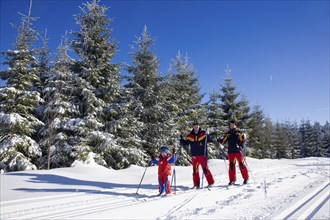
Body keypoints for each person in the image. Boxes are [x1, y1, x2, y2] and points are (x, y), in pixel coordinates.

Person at [180, 120, 215, 188]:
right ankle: (196, 184)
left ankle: (211, 182)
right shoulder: (190, 135)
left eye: (197, 125)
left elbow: (210, 140)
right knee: (195, 170)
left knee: (205, 169)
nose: (196, 127)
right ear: (193, 126)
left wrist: (208, 135)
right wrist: (181, 140)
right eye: (195, 126)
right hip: (194, 155)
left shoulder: (203, 133)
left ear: (199, 126)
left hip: (202, 154)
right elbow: (186, 143)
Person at [219, 120, 249, 185]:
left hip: (238, 151)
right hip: (231, 151)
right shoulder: (227, 134)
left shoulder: (239, 133)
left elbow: (243, 141)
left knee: (241, 165)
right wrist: (219, 140)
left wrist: (241, 144)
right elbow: (223, 141)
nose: (232, 126)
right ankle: (232, 180)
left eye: (233, 125)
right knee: (231, 166)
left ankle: (246, 178)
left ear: (235, 125)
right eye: (230, 125)